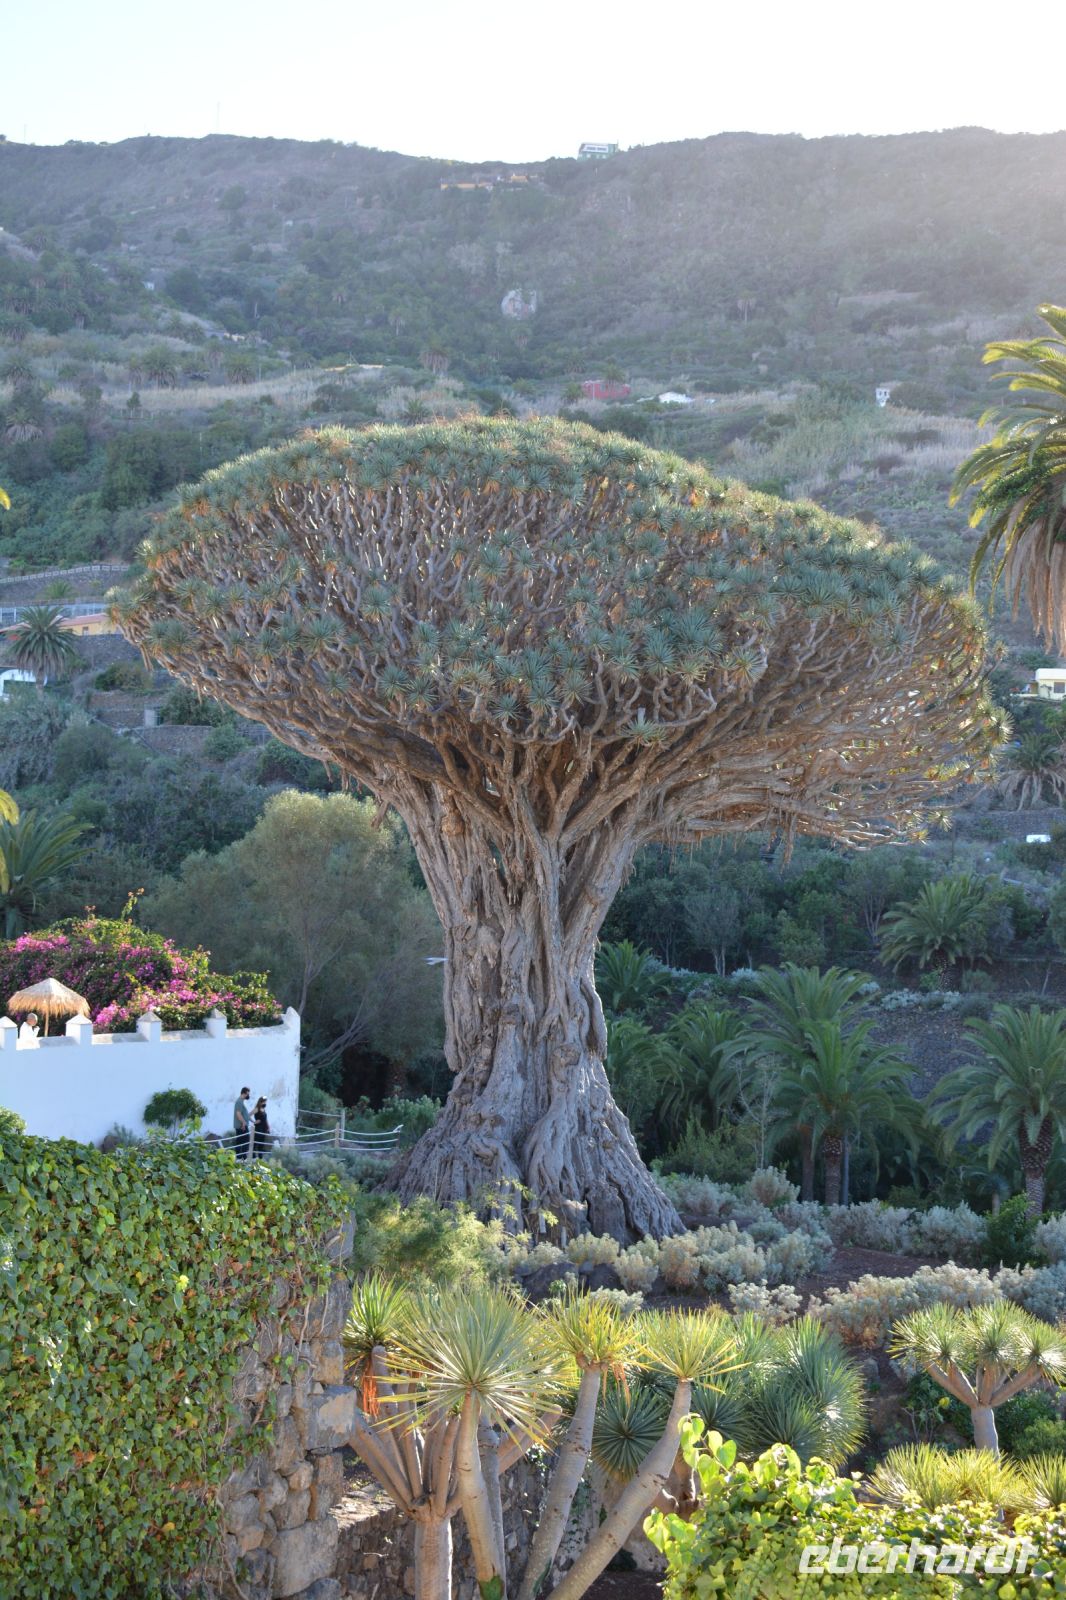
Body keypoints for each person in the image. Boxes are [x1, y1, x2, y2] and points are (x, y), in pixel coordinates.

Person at [233, 1087, 251, 1161]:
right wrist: (244, 1122)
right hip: (241, 1126)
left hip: (242, 1125)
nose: (248, 1095)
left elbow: (243, 1114)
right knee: (245, 1141)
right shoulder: (239, 1102)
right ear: (244, 1093)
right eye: (248, 1094)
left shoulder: (241, 1101)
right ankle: (242, 1158)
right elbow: (238, 1114)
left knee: (240, 1141)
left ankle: (239, 1158)